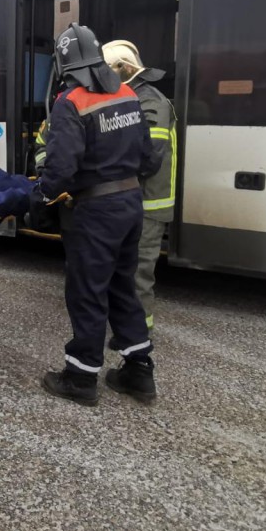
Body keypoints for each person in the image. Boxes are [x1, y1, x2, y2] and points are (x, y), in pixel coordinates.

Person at [37, 23, 161, 407]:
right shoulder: (127, 93)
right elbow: (148, 157)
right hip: (130, 205)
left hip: (95, 212)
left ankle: (80, 378)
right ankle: (138, 371)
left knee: (87, 292)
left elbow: (61, 168)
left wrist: (40, 194)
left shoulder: (70, 102)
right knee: (123, 288)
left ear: (64, 63)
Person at [102, 40, 177, 331]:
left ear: (123, 69)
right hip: (132, 203)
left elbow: (148, 158)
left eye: (108, 72)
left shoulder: (151, 101)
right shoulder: (132, 97)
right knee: (123, 271)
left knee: (138, 275)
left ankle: (137, 337)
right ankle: (128, 329)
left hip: (149, 205)